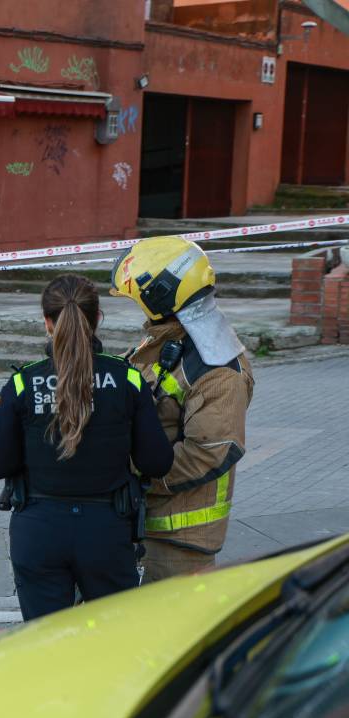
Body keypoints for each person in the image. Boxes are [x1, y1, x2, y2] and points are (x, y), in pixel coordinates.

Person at [0, 274, 173, 621]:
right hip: (106, 532)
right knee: (110, 647)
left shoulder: (22, 383)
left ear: (47, 322)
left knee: (46, 649)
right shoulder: (128, 379)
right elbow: (157, 461)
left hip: (39, 530)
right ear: (97, 318)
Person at [110, 237, 254, 582]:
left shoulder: (218, 371)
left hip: (179, 541)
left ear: (161, 298)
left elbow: (209, 452)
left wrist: (128, 472)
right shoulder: (166, 338)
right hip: (146, 525)